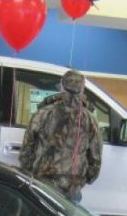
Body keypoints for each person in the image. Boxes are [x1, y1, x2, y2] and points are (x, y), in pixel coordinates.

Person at [19, 70, 102, 202]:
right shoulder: (90, 119)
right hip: (72, 187)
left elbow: (27, 148)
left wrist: (29, 172)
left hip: (43, 183)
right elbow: (95, 157)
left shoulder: (43, 114)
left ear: (61, 87)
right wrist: (85, 179)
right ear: (82, 89)